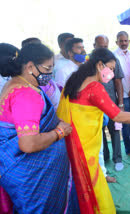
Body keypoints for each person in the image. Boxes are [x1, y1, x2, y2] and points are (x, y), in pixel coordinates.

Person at [57, 48, 130, 213]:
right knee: (89, 184)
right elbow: (118, 116)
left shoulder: (73, 80)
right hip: (83, 148)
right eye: (110, 68)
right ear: (100, 65)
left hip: (69, 143)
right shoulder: (94, 87)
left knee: (76, 181)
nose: (112, 73)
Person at [0, 43, 78, 213]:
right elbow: (28, 144)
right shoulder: (26, 95)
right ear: (30, 66)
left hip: (23, 172)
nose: (50, 73)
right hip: (32, 174)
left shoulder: (16, 84)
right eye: (48, 67)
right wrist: (59, 132)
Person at [94, 35, 125, 171]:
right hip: (95, 107)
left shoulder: (113, 60)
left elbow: (118, 82)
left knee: (115, 130)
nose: (103, 49)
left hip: (111, 103)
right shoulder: (90, 64)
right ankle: (104, 157)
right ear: (94, 46)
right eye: (101, 47)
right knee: (100, 133)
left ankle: (117, 158)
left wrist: (120, 103)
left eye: (106, 47)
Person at [113, 31, 130, 157]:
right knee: (126, 124)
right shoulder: (113, 56)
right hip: (123, 96)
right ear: (117, 42)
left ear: (129, 41)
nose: (123, 43)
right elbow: (117, 78)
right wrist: (128, 92)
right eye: (121, 41)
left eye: (125, 41)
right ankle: (129, 149)